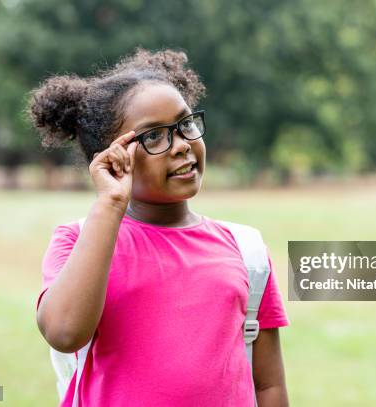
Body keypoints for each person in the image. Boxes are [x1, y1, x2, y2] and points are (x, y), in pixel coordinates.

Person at [29, 47, 290, 406]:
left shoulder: (246, 249)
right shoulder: (77, 241)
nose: (182, 146)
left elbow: (268, 385)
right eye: (153, 137)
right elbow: (64, 331)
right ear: (109, 158)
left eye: (185, 125)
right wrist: (109, 204)